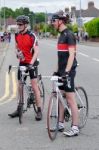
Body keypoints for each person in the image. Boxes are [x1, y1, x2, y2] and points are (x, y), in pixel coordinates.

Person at [8, 15, 42, 121]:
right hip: (22, 62)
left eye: (20, 24)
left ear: (26, 25)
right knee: (19, 86)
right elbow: (16, 47)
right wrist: (17, 53)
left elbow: (36, 51)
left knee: (34, 85)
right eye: (17, 24)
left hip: (32, 62)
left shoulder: (32, 36)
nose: (18, 26)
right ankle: (19, 109)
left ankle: (39, 110)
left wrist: (31, 63)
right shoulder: (17, 34)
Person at [51, 11, 79, 137]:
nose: (52, 23)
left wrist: (66, 72)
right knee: (61, 97)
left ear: (60, 21)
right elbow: (60, 57)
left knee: (70, 99)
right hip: (62, 71)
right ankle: (61, 124)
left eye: (53, 21)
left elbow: (71, 55)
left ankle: (75, 127)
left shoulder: (69, 35)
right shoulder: (60, 35)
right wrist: (56, 71)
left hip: (69, 70)